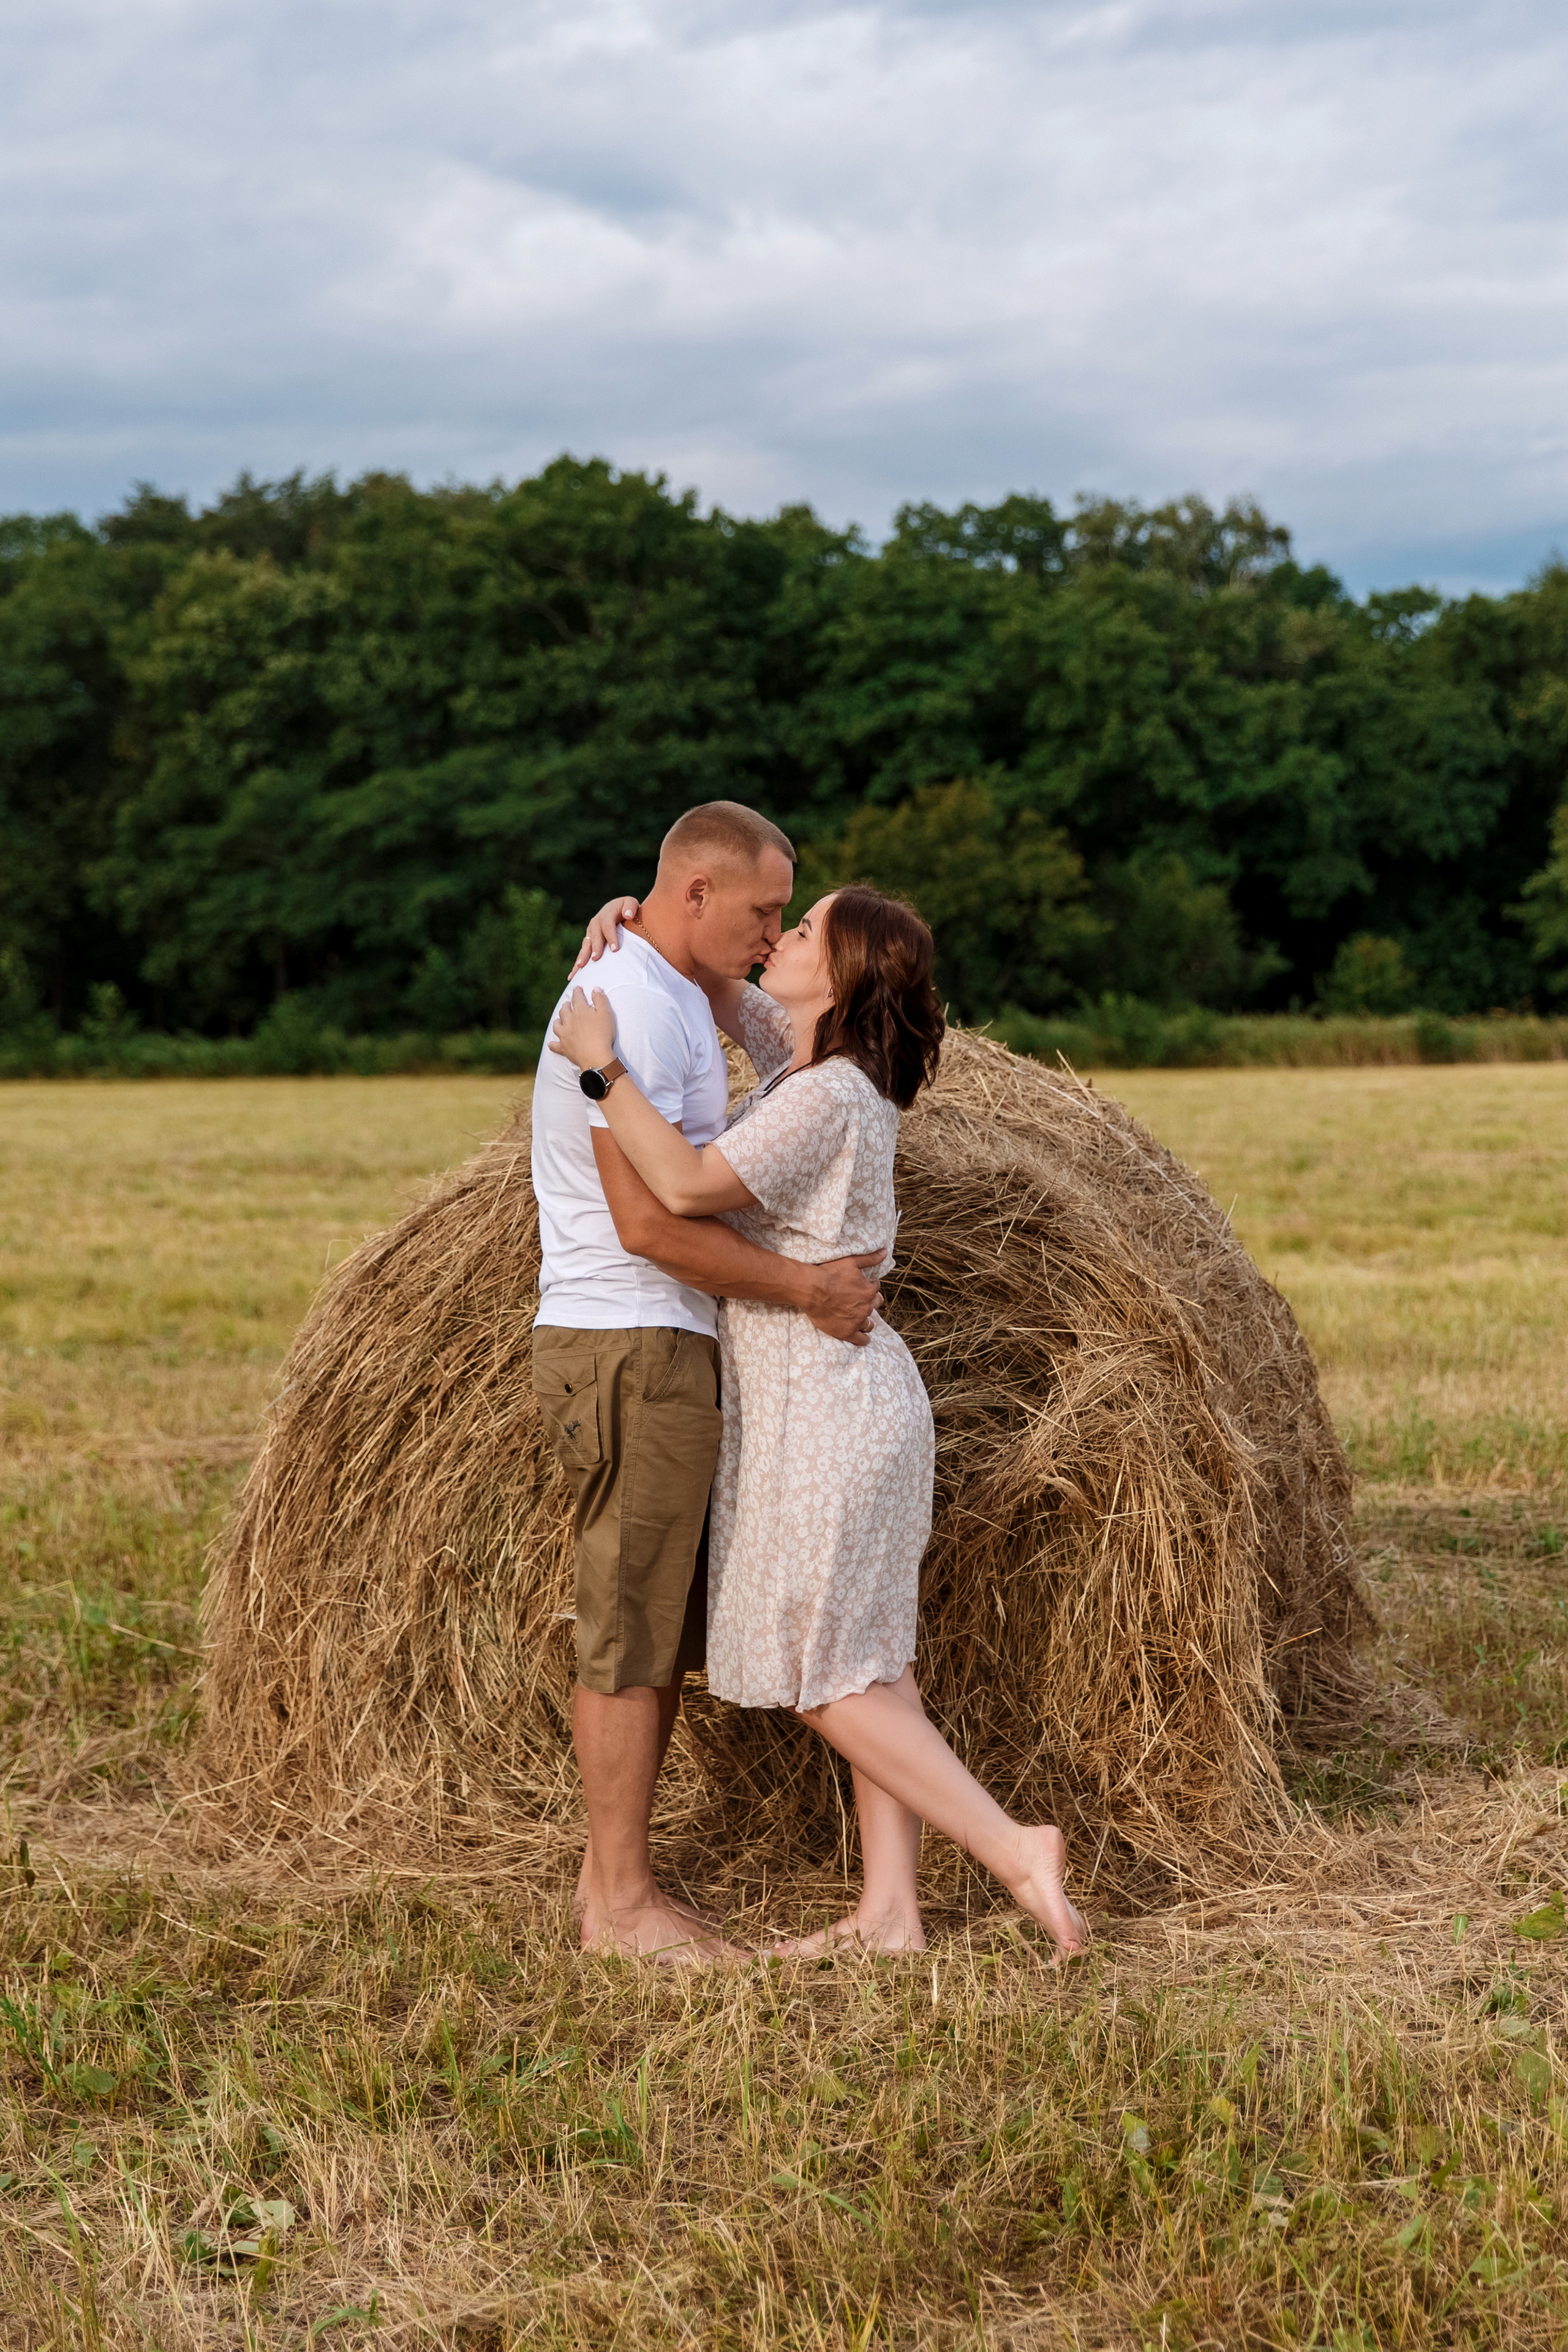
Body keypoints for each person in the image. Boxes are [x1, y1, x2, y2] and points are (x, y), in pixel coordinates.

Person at [556, 881, 1090, 1960]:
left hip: (826, 1411)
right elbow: (720, 985)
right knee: (869, 1661)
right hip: (842, 1397)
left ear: (841, 978)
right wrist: (633, 918)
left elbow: (686, 1184)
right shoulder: (807, 1062)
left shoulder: (826, 1095)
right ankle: (890, 1912)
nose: (778, 936)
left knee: (813, 1668)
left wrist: (601, 1068)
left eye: (801, 930)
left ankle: (1012, 1845)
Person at [530, 800, 889, 1964]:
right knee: (629, 1631)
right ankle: (623, 1910)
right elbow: (650, 1218)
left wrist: (635, 917)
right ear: (698, 894)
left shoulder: (675, 988)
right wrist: (808, 1290)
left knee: (651, 1624)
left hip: (665, 1343)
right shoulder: (632, 1005)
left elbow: (803, 1039)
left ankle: (611, 1887)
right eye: (765, 911)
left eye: (790, 919)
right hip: (630, 1339)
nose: (774, 932)